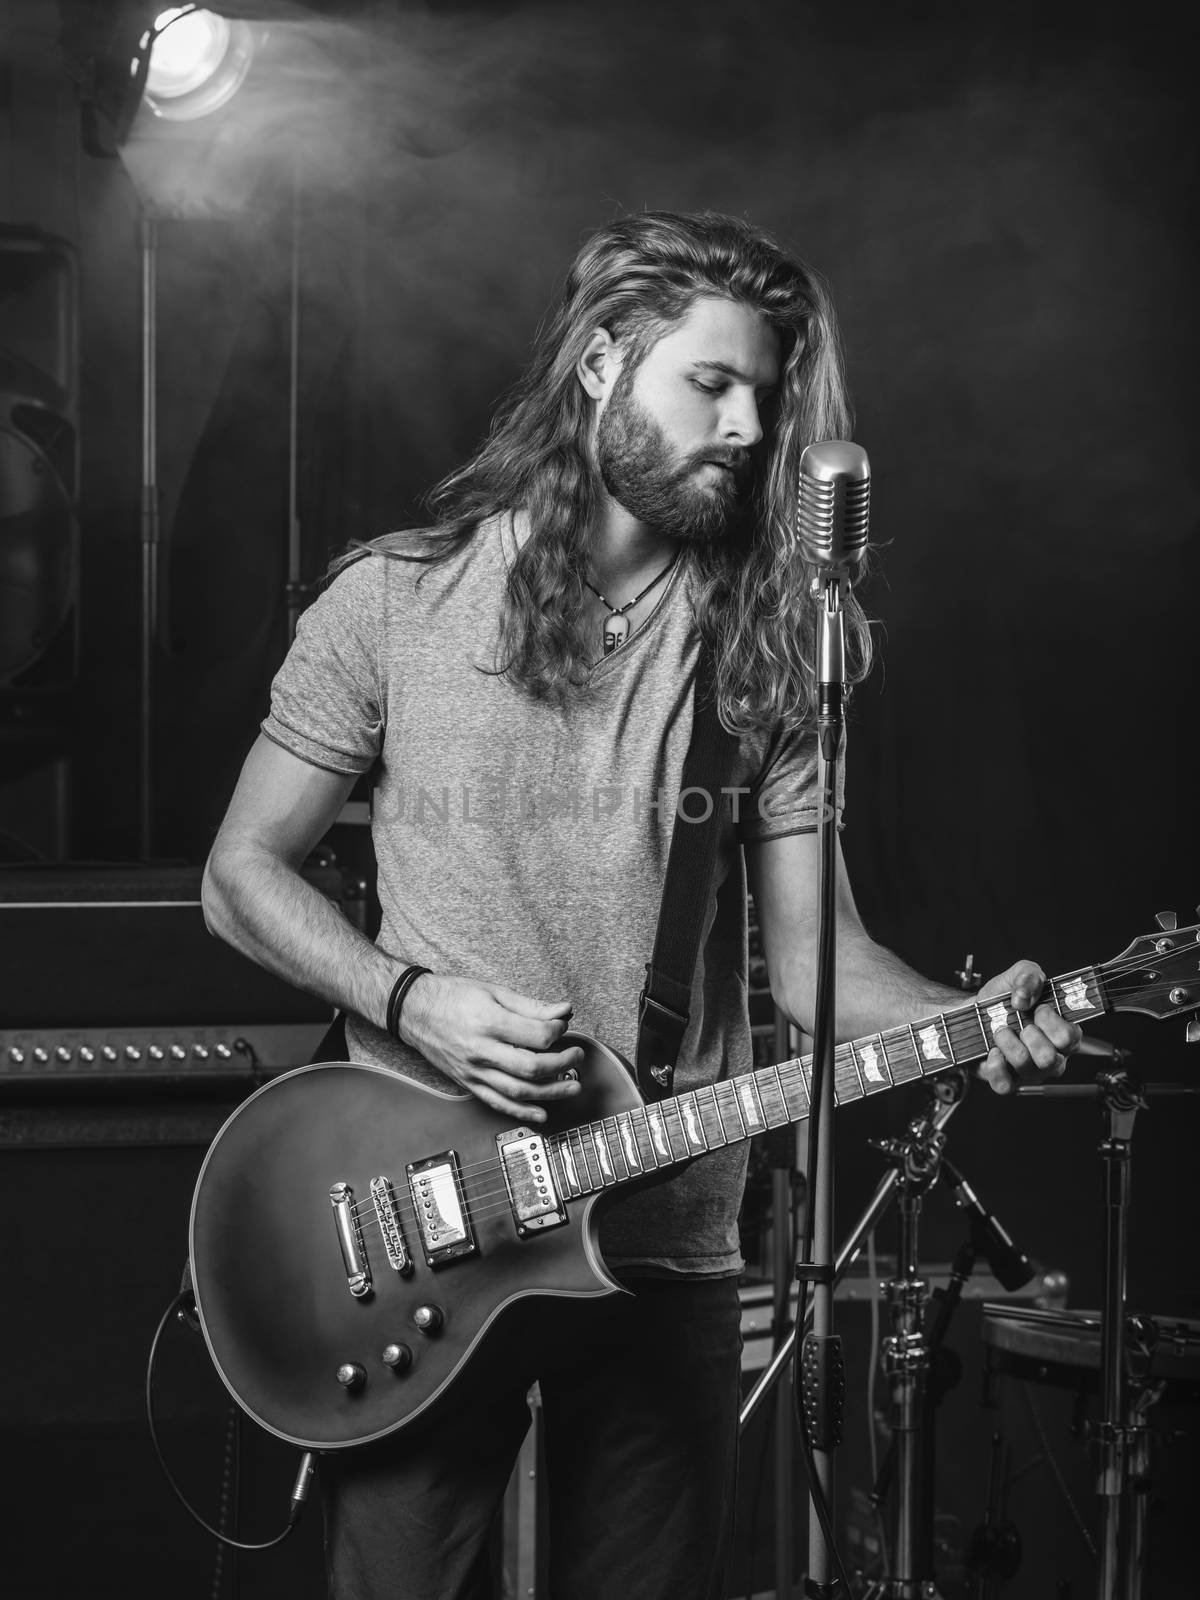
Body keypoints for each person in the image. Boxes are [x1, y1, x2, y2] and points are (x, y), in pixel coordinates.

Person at [202, 210, 1080, 1600]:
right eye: (711, 385)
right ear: (603, 363)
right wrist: (413, 1000)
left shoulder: (769, 649)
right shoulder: (392, 604)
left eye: (766, 396)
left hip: (666, 1243)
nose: (747, 425)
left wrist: (971, 1017)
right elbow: (239, 875)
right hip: (421, 1228)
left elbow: (815, 967)